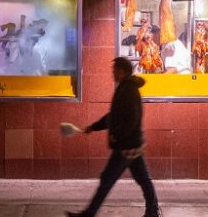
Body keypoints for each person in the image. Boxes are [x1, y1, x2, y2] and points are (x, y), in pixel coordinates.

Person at [67, 57, 161, 217]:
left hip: (126, 146)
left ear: (122, 71)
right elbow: (114, 116)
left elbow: (133, 118)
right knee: (143, 179)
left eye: (115, 69)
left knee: (106, 180)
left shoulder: (128, 90)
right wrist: (94, 127)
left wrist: (117, 136)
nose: (112, 72)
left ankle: (89, 214)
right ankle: (152, 212)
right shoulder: (124, 88)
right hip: (133, 144)